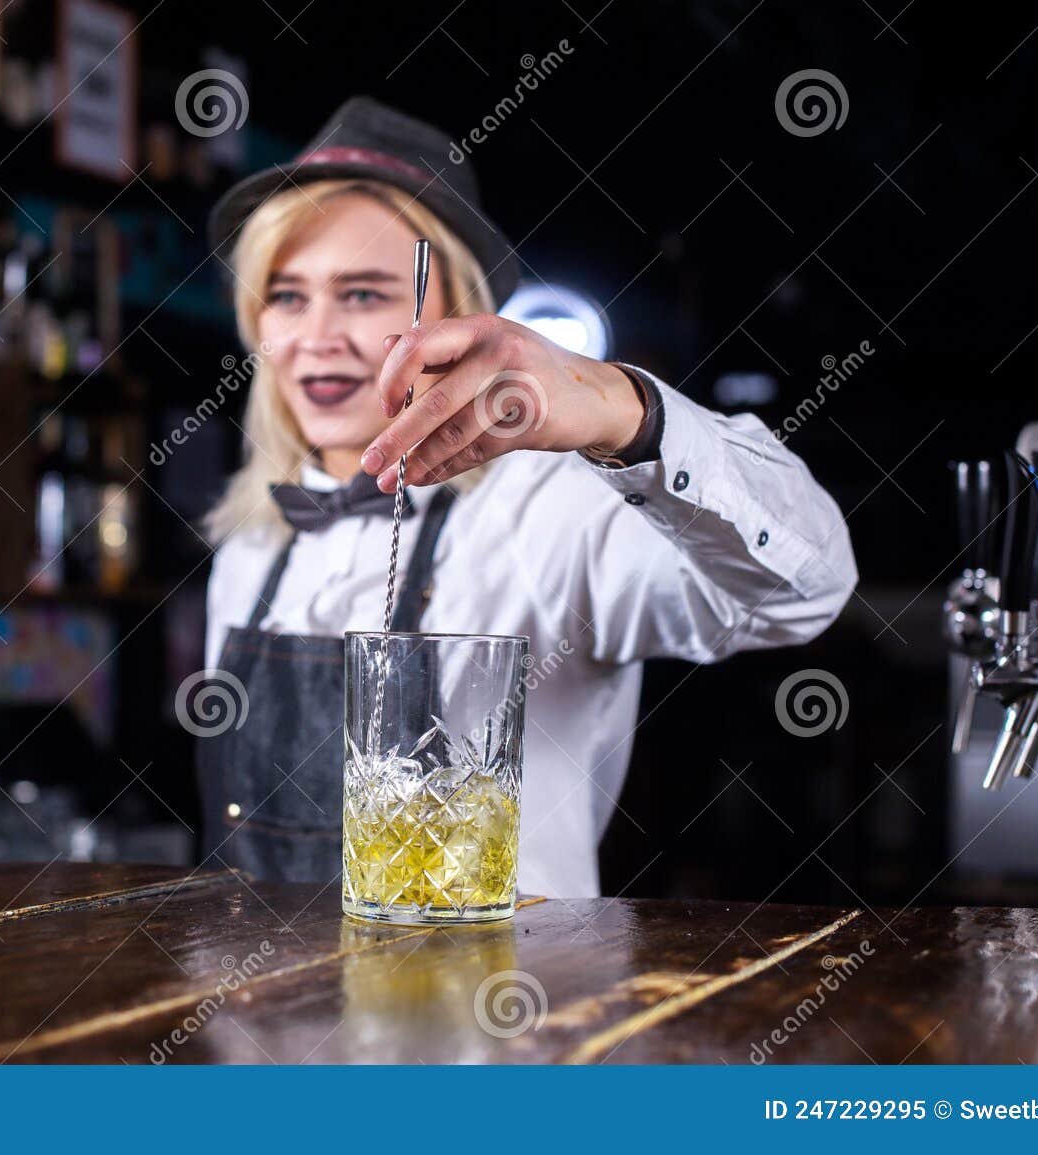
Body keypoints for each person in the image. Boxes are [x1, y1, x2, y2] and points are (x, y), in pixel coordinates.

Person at [194, 96, 857, 898]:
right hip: (261, 1010)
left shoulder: (557, 511)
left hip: (502, 1005)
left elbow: (807, 588)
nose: (316, 333)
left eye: (364, 294)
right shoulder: (251, 542)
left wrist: (625, 412)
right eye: (287, 294)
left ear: (454, 315)